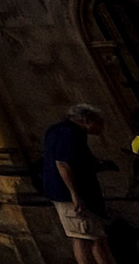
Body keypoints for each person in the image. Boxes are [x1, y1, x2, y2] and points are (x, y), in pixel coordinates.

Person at [45, 103, 118, 264]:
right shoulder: (69, 133)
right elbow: (62, 164)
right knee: (92, 238)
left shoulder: (58, 130)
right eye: (99, 122)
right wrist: (74, 194)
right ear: (86, 120)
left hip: (64, 193)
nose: (102, 127)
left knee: (83, 237)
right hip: (72, 195)